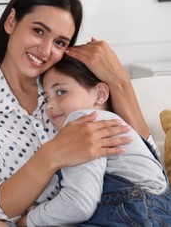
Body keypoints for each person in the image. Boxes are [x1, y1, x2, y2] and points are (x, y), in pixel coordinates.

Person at [0, 0, 149, 227]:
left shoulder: (71, 86)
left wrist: (119, 80)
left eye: (60, 42)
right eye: (38, 31)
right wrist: (51, 155)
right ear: (11, 22)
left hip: (106, 218)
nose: (45, 50)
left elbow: (139, 156)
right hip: (34, 223)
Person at [18, 54, 171, 226]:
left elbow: (78, 204)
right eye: (47, 98)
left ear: (100, 93)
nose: (49, 105)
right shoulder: (116, 127)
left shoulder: (83, 120)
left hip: (130, 214)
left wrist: (29, 221)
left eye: (61, 92)